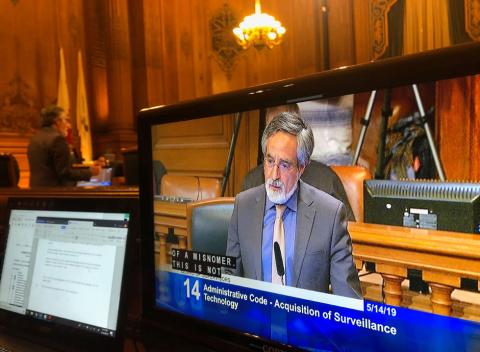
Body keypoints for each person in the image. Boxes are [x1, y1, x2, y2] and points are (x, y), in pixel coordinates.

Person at [226, 112, 362, 299]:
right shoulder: (243, 206)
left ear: (302, 167)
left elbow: (348, 301)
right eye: (270, 160)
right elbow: (229, 280)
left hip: (305, 326)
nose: (274, 175)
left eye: (284, 165)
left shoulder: (330, 214)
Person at [242, 104, 355, 221]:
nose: (275, 175)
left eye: (286, 130)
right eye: (273, 130)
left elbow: (351, 232)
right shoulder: (251, 182)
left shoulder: (326, 182)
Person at [27, 105, 100, 187]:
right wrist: (90, 172)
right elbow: (64, 173)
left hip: (36, 191)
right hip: (56, 193)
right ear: (58, 121)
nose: (69, 125)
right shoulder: (57, 139)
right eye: (66, 120)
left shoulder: (35, 138)